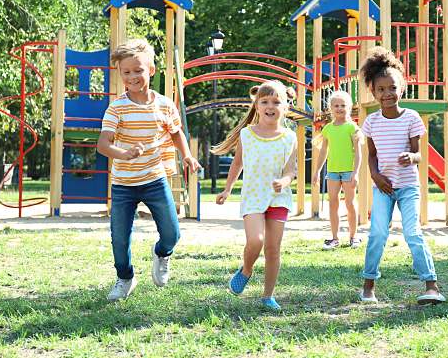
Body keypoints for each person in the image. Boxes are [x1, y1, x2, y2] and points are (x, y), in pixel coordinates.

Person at [97, 38, 201, 302]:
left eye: (138, 70)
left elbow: (176, 132)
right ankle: (125, 278)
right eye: (126, 72)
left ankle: (162, 254)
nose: (132, 77)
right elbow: (103, 145)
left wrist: (187, 156)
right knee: (119, 240)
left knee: (172, 233)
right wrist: (125, 153)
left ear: (151, 70)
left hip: (155, 179)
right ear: (120, 74)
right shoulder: (116, 108)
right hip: (123, 184)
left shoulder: (165, 105)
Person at [358, 47, 445, 305]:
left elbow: (419, 155)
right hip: (383, 187)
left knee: (413, 233)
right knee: (377, 234)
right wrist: (375, 175)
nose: (387, 94)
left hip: (408, 186)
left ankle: (431, 286)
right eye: (381, 89)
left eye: (392, 88)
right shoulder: (371, 122)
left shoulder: (412, 118)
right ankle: (368, 286)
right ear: (373, 92)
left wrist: (411, 157)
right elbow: (371, 155)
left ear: (402, 88)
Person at [214, 80, 298, 312]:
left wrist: (284, 181)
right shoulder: (247, 134)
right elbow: (238, 162)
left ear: (285, 106)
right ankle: (246, 270)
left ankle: (268, 296)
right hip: (252, 196)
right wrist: (228, 188)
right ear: (257, 105)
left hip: (279, 199)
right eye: (265, 102)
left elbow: (291, 169)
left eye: (276, 102)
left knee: (273, 248)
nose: (270, 106)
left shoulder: (289, 137)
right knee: (256, 241)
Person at [312, 89, 362, 249]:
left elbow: (358, 153)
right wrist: (317, 171)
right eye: (336, 105)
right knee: (332, 203)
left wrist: (355, 173)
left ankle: (353, 237)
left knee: (350, 204)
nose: (339, 108)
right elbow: (323, 152)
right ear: (330, 108)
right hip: (332, 172)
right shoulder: (327, 129)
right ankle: (334, 238)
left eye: (343, 105)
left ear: (349, 107)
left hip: (348, 172)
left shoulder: (352, 128)